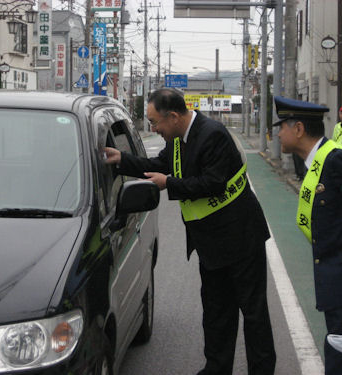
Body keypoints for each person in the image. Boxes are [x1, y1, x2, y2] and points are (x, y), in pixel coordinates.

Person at [104, 88, 276, 375]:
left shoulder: (213, 135)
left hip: (242, 239)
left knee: (254, 313)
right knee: (217, 313)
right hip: (211, 244)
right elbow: (157, 166)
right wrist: (121, 159)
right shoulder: (177, 140)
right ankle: (216, 368)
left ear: (173, 116)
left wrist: (169, 184)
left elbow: (213, 183)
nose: (154, 129)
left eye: (155, 122)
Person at [274, 96, 342, 375]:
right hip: (334, 273)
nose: (278, 133)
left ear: (299, 129)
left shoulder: (338, 160)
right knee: (341, 344)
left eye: (282, 126)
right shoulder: (315, 161)